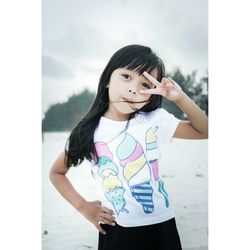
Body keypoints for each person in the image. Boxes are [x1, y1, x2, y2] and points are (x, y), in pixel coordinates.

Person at [49, 44, 208, 250]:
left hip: (162, 224)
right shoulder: (88, 131)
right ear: (107, 79)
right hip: (117, 229)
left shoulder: (154, 120)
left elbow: (205, 131)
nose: (134, 88)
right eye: (126, 76)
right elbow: (57, 172)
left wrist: (179, 97)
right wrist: (83, 207)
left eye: (144, 84)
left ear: (152, 93)